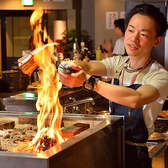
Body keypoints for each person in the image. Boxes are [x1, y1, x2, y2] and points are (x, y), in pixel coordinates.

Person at [58, 3, 168, 168]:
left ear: (157, 41)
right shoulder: (118, 63)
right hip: (110, 147)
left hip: (136, 155)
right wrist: (67, 66)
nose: (133, 38)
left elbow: (135, 99)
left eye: (143, 34)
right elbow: (87, 66)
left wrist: (90, 82)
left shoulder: (160, 75)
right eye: (130, 30)